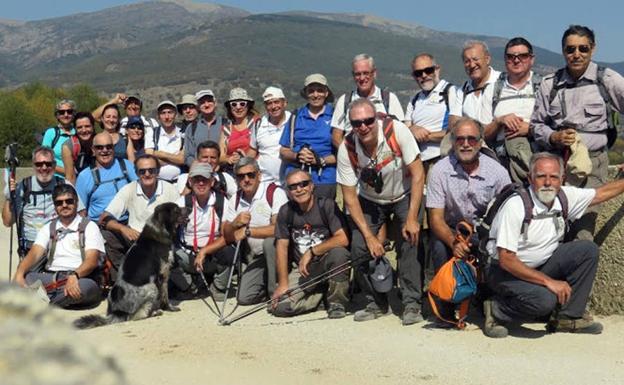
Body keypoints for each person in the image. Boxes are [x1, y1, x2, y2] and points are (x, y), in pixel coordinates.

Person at [483, 152, 624, 337]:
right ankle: (496, 309)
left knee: (587, 250)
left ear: (562, 179)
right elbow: (506, 260)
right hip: (504, 272)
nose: (548, 183)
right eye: (541, 176)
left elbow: (600, 194)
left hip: (539, 266)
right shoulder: (516, 206)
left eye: (553, 177)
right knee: (544, 301)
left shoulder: (564, 197)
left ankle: (568, 318)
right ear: (530, 178)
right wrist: (549, 282)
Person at [531, 25, 624, 241]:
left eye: (583, 48)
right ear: (563, 51)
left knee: (582, 235)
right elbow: (536, 125)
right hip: (557, 166)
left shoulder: (607, 80)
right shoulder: (550, 84)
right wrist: (553, 137)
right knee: (549, 233)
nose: (577, 54)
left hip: (592, 166)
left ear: (593, 49)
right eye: (570, 49)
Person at [337, 98, 425, 325]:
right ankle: (375, 301)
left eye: (367, 121)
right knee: (359, 246)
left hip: (404, 193)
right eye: (357, 123)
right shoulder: (347, 148)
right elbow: (349, 195)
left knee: (410, 239)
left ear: (376, 118)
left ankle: (411, 302)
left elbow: (418, 174)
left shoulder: (398, 132)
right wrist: (369, 236)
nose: (363, 127)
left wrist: (413, 217)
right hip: (370, 199)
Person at [426, 117, 510, 293]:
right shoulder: (439, 171)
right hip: (453, 229)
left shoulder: (498, 173)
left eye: (471, 139)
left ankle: (490, 296)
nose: (466, 144)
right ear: (453, 142)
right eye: (460, 139)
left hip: (485, 232)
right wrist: (453, 242)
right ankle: (444, 301)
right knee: (438, 246)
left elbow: (507, 216)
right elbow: (435, 218)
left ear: (480, 143)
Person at [271, 169, 350, 318]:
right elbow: (281, 247)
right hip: (303, 270)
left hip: (326, 263)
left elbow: (342, 239)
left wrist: (312, 251)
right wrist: (282, 284)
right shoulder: (285, 211)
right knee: (280, 307)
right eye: (293, 187)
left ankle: (336, 302)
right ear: (288, 192)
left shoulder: (327, 205)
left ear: (312, 186)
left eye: (303, 184)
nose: (299, 189)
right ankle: (319, 297)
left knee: (340, 253)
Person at [13, 184, 105, 308]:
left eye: (69, 201)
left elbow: (91, 261)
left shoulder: (89, 227)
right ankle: (53, 298)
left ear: (77, 203)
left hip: (81, 277)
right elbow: (34, 254)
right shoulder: (48, 228)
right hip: (53, 278)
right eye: (59, 203)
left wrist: (74, 276)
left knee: (84, 288)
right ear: (55, 206)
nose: (64, 205)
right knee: (27, 277)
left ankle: (41, 299)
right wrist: (19, 274)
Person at [99, 154, 179, 276]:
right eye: (142, 171)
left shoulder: (170, 190)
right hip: (135, 237)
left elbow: (179, 220)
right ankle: (125, 275)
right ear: (136, 173)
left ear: (158, 172)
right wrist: (123, 228)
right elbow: (104, 218)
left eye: (151, 170)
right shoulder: (129, 189)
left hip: (161, 241)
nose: (147, 174)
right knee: (107, 235)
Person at [222, 157, 288, 305]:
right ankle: (264, 287)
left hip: (281, 253)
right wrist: (234, 224)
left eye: (251, 175)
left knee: (269, 243)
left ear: (259, 175)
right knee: (244, 298)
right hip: (257, 257)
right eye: (241, 176)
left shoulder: (275, 193)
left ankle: (276, 296)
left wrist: (247, 231)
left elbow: (278, 229)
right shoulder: (235, 199)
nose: (246, 179)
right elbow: (226, 235)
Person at [3, 146, 84, 259]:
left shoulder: (64, 185)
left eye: (48, 164)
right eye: (39, 164)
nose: (44, 167)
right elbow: (7, 222)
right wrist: (8, 198)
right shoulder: (24, 186)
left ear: (54, 165)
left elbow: (81, 214)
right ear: (33, 165)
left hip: (59, 245)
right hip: (31, 247)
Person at [478, 37, 541, 183]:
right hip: (501, 164)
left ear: (531, 59)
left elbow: (553, 128)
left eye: (523, 56)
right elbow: (483, 134)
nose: (516, 60)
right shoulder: (492, 90)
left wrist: (530, 128)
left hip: (535, 159)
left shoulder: (543, 86)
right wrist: (500, 121)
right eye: (511, 56)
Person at [172, 162, 233, 298]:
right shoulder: (182, 203)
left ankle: (217, 287)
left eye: (204, 179)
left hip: (212, 254)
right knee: (165, 252)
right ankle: (188, 286)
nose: (200, 183)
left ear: (212, 182)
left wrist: (205, 251)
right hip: (188, 255)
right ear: (190, 182)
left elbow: (226, 236)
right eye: (196, 180)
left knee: (229, 251)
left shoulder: (222, 202)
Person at [279, 74, 337, 199]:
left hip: (325, 179)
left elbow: (344, 153)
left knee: (323, 214)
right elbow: (283, 151)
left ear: (326, 93)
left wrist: (321, 160)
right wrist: (297, 156)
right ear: (306, 94)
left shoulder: (335, 116)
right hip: (297, 178)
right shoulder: (296, 116)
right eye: (311, 91)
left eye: (320, 90)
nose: (316, 95)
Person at [331, 54, 405, 148]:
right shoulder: (344, 101)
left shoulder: (389, 99)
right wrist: (350, 155)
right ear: (353, 76)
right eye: (358, 74)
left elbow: (401, 132)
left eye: (366, 73)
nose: (362, 78)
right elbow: (336, 136)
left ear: (374, 73)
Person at [405, 53, 463, 168]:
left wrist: (424, 136)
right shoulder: (414, 100)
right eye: (418, 73)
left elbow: (456, 131)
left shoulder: (452, 92)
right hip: (417, 162)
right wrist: (412, 129)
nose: (424, 75)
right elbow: (405, 129)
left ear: (437, 69)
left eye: (428, 70)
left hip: (443, 159)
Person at [76, 133, 138, 222]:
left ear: (113, 148)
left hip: (128, 220)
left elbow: (140, 190)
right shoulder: (84, 176)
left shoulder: (126, 166)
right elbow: (81, 211)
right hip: (100, 226)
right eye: (99, 147)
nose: (105, 150)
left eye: (108, 147)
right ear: (93, 150)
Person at [248, 86, 290, 185]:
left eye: (276, 102)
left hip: (290, 182)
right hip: (264, 182)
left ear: (285, 103)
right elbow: (253, 150)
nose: (273, 106)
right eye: (269, 103)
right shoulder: (259, 124)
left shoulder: (294, 121)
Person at [219, 88, 260, 172]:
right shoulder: (226, 129)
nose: (238, 107)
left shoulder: (257, 123)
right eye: (234, 104)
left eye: (242, 104)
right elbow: (220, 155)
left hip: (255, 169)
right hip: (233, 171)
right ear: (230, 107)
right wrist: (229, 159)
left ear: (248, 106)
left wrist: (246, 158)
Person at [184, 89, 226, 167]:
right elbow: (188, 155)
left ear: (215, 103)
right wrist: (199, 167)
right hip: (198, 172)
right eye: (202, 102)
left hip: (223, 170)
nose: (206, 105)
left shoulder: (226, 124)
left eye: (209, 101)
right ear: (198, 107)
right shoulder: (191, 128)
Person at [461, 41, 501, 122]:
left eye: (475, 59)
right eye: (467, 61)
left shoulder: (503, 82)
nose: (472, 65)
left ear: (487, 59)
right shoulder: (461, 91)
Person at [145, 100, 184, 183]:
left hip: (179, 183)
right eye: (163, 113)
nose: (167, 116)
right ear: (158, 116)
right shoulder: (152, 133)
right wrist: (175, 158)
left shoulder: (183, 134)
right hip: (157, 183)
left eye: (170, 112)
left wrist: (159, 154)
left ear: (175, 115)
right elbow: (150, 161)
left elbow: (182, 160)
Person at [41, 99, 76, 176]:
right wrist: (68, 173)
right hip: (56, 180)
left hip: (78, 180)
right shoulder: (51, 133)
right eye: (62, 112)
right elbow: (44, 159)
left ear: (73, 114)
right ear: (57, 115)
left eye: (69, 112)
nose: (66, 115)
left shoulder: (78, 133)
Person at [61, 112, 96, 185]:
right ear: (75, 129)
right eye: (79, 127)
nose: (84, 130)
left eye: (87, 126)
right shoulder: (68, 146)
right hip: (80, 184)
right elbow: (70, 177)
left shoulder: (101, 142)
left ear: (93, 126)